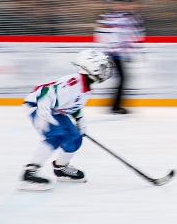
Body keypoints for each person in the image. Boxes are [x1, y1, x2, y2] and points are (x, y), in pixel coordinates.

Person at [21, 49, 113, 191]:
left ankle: (61, 168)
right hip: (38, 105)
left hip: (54, 109)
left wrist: (79, 118)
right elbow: (47, 93)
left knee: (75, 138)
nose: (104, 71)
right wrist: (43, 111)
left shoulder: (86, 86)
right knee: (57, 136)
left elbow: (71, 105)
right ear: (89, 68)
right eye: (101, 67)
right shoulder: (72, 83)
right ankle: (30, 172)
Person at [94, 0, 145, 114]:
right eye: (120, 3)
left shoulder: (127, 17)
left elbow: (135, 34)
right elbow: (104, 35)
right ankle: (115, 106)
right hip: (114, 53)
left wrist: (130, 50)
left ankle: (115, 105)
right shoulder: (110, 17)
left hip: (118, 53)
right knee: (122, 78)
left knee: (122, 78)